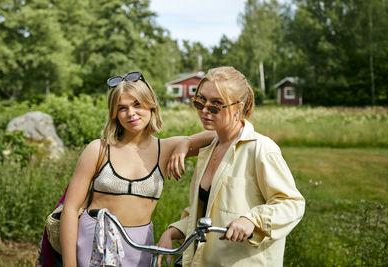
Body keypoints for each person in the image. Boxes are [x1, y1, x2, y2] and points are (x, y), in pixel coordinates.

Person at [59, 71, 214, 267]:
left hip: (139, 246)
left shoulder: (164, 149)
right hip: (94, 242)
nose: (131, 113)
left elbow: (220, 134)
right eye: (122, 108)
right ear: (114, 114)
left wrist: (186, 142)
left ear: (151, 105)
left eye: (137, 104)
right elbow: (71, 209)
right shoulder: (98, 149)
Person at [157, 66, 305, 267]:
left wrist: (253, 220)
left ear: (238, 107)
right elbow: (207, 215)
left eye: (216, 104)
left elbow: (292, 204)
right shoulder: (209, 149)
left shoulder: (261, 149)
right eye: (200, 101)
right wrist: (172, 231)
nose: (205, 110)